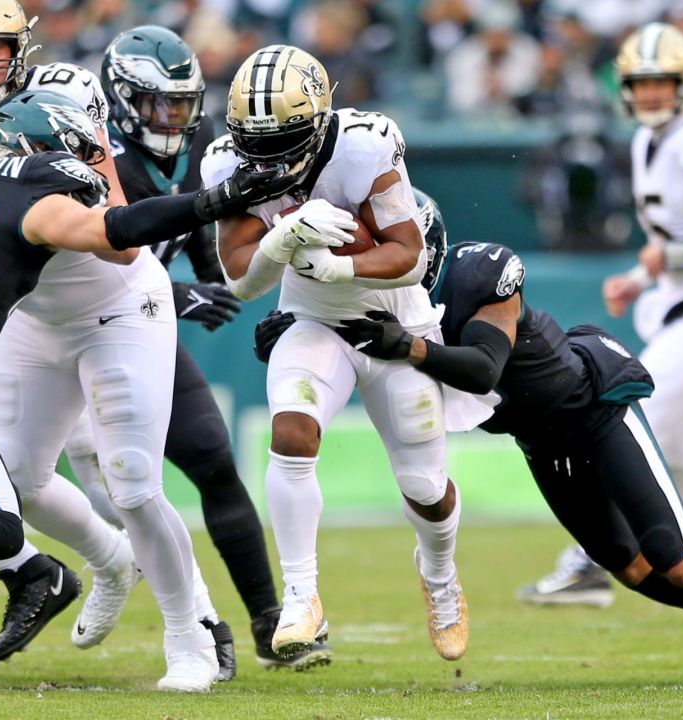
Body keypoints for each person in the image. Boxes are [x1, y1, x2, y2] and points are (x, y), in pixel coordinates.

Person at [254, 191, 683, 685]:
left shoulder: (477, 273)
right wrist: (298, 329)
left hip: (596, 412)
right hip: (541, 443)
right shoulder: (376, 302)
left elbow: (482, 368)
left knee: (679, 560)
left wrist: (406, 345)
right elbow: (354, 349)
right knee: (634, 571)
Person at [0, 0, 275, 671]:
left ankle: (192, 637)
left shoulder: (64, 101)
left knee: (133, 481)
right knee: (16, 482)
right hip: (28, 318)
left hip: (115, 310)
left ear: (22, 48)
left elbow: (119, 239)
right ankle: (110, 561)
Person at [202, 44, 470, 663]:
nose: (268, 157)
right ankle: (302, 598)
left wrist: (338, 262)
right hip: (313, 317)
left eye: (286, 138)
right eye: (255, 140)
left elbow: (408, 255)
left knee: (425, 484)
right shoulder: (225, 161)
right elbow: (241, 278)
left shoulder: (363, 145)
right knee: (292, 434)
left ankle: (440, 576)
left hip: (392, 318)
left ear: (321, 118)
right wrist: (284, 238)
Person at [85, 26, 331, 671]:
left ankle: (264, 621)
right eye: (155, 105)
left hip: (139, 332)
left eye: (181, 104)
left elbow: (217, 266)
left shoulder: (195, 159)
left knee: (213, 463)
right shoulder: (95, 155)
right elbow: (87, 250)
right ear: (118, 100)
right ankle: (188, 621)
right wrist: (178, 294)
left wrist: (273, 286)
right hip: (67, 338)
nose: (170, 118)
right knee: (80, 485)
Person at [521, 22, 683, 609]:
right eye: (641, 83)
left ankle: (587, 562)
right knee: (677, 456)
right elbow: (673, 239)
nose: (652, 93)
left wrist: (664, 258)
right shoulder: (643, 143)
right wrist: (639, 278)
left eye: (663, 82)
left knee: (624, 422)